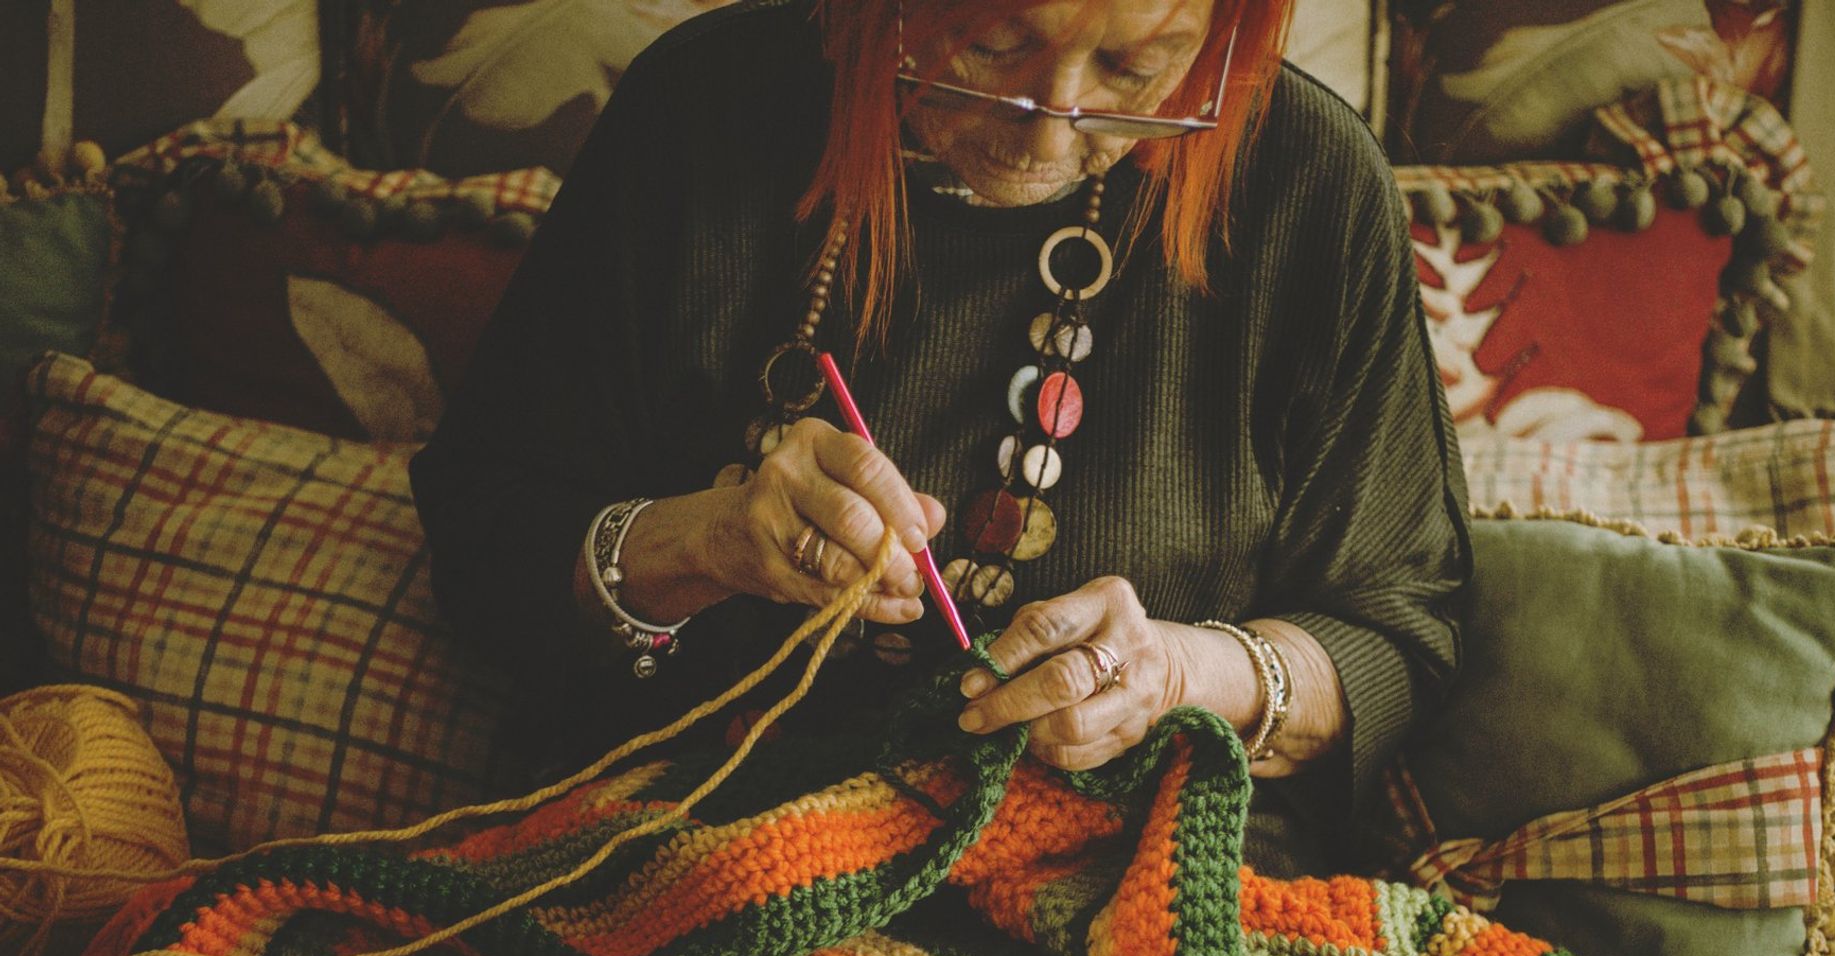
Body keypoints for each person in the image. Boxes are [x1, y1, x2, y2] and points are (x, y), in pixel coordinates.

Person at [410, 0, 1469, 877]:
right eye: (994, 44)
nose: (1050, 127)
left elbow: (1398, 635)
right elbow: (481, 542)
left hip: (1123, 904)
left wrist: (1180, 672)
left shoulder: (1307, 186)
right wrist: (701, 544)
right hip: (691, 861)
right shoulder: (700, 110)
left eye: (1134, 66)